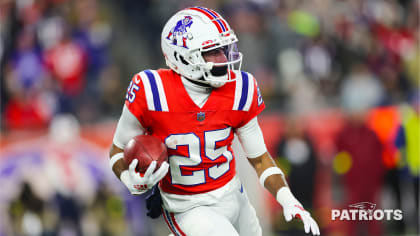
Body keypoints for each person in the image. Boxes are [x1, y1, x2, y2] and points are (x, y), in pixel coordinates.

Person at [108, 6, 320, 236]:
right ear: (182, 57)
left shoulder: (241, 88)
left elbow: (260, 159)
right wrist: (131, 180)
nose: (223, 59)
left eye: (224, 49)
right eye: (212, 52)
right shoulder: (151, 90)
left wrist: (288, 199)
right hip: (185, 206)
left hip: (232, 195)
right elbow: (117, 151)